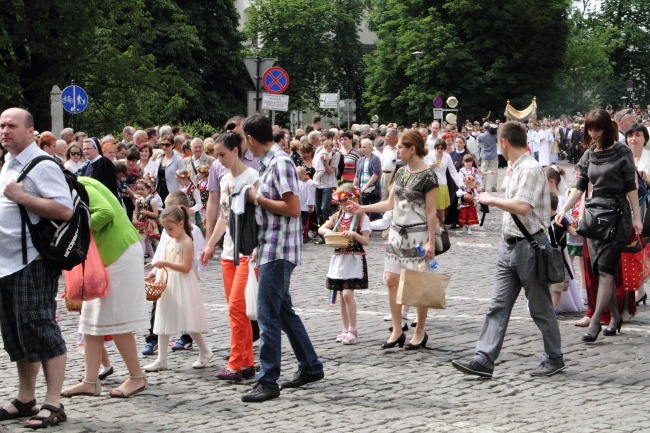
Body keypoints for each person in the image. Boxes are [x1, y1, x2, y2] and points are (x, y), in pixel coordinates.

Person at [452, 121, 566, 378]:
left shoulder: (530, 168)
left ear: (503, 142)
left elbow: (523, 207)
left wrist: (491, 199)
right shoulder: (514, 168)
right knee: (497, 306)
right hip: (509, 245)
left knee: (540, 306)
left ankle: (554, 356)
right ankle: (483, 359)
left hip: (530, 246)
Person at [240, 114, 323, 403]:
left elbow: (292, 208)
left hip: (279, 250)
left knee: (267, 315)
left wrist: (256, 199)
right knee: (284, 312)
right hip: (269, 246)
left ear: (251, 139)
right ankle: (310, 366)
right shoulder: (271, 162)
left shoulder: (281, 162)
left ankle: (268, 380)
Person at [0, 108, 72, 429]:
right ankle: (25, 397)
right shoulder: (8, 163)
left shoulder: (43, 164)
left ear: (30, 131)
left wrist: (22, 196)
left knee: (41, 328)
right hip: (7, 263)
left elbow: (64, 210)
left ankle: (53, 403)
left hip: (33, 262)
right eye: (1, 125)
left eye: (12, 126)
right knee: (16, 333)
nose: (4, 130)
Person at [557, 109, 642, 342]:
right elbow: (580, 185)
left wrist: (636, 217)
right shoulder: (590, 154)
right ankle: (614, 316)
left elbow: (630, 187)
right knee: (602, 270)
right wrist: (564, 209)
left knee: (605, 269)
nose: (593, 133)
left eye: (598, 128)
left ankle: (595, 321)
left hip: (617, 215)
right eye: (590, 129)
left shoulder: (622, 151)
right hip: (595, 217)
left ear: (606, 127)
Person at [60, 177, 149, 399]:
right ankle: (90, 381)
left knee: (116, 319)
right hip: (104, 258)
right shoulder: (71, 187)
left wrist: (73, 229)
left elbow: (105, 213)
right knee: (90, 322)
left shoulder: (81, 185)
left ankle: (137, 377)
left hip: (120, 253)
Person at [350, 129, 438, 351]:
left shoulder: (429, 176)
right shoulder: (400, 173)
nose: (397, 150)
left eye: (400, 147)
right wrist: (362, 208)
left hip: (417, 235)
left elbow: (431, 212)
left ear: (412, 149)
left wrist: (430, 242)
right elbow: (389, 204)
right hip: (397, 234)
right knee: (391, 280)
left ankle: (419, 331)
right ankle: (398, 330)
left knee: (417, 285)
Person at [200, 131, 258, 381]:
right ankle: (246, 363)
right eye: (216, 156)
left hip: (248, 251)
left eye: (222, 155)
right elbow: (224, 216)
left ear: (236, 151)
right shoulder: (225, 181)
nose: (219, 160)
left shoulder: (253, 177)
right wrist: (210, 244)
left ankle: (236, 363)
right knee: (237, 310)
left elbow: (260, 216)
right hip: (228, 252)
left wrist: (258, 245)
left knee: (237, 306)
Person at [143, 206, 212, 372]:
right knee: (162, 319)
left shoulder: (187, 242)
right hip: (169, 281)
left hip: (182, 282)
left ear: (181, 224)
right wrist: (159, 277)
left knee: (188, 319)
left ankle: (205, 351)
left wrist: (164, 264)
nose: (167, 231)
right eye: (165, 228)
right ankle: (162, 359)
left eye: (170, 228)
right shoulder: (169, 240)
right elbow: (165, 261)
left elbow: (186, 267)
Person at [318, 184, 371, 345]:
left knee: (348, 294)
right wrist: (332, 233)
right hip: (339, 259)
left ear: (355, 199)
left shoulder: (362, 217)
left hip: (354, 259)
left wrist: (354, 234)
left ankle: (353, 328)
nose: (345, 205)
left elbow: (366, 241)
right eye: (342, 202)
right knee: (342, 295)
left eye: (348, 200)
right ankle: (345, 328)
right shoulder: (337, 216)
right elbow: (322, 229)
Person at [626, 124, 650, 305]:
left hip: (645, 208)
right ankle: (637, 289)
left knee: (642, 245)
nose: (634, 138)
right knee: (632, 247)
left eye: (638, 135)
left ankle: (640, 287)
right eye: (631, 135)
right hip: (626, 208)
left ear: (645, 139)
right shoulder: (623, 158)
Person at [425, 138, 463, 223]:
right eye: (438, 148)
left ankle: (441, 225)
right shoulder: (429, 154)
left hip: (442, 183)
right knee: (431, 207)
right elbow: (422, 166)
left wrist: (460, 184)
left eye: (442, 148)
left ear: (444, 149)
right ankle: (431, 224)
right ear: (435, 148)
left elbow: (453, 171)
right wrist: (430, 165)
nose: (439, 150)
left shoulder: (447, 157)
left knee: (441, 207)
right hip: (430, 183)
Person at [133, 176, 162, 259]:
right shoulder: (138, 200)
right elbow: (135, 211)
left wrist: (146, 212)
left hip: (150, 223)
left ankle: (159, 255)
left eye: (142, 189)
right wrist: (135, 218)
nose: (140, 191)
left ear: (148, 189)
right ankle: (154, 257)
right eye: (138, 189)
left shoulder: (152, 200)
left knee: (150, 240)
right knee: (146, 241)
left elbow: (156, 213)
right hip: (141, 222)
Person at [353, 138, 382, 221]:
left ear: (370, 148)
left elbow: (375, 174)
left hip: (372, 189)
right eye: (361, 147)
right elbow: (357, 175)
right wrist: (353, 186)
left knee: (374, 211)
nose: (362, 149)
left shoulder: (375, 159)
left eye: (364, 147)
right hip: (362, 190)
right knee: (363, 211)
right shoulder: (360, 160)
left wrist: (366, 186)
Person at [154, 134, 184, 203]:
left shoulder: (178, 160)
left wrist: (179, 194)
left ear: (173, 145)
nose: (164, 147)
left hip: (172, 190)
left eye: (167, 145)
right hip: (159, 189)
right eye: (162, 144)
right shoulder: (159, 158)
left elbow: (181, 178)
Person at [478, 122, 499, 192]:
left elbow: (479, 141)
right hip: (493, 155)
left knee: (483, 171)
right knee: (494, 171)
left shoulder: (481, 135)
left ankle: (483, 186)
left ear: (484, 128)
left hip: (484, 155)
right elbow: (497, 142)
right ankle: (493, 186)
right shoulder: (494, 135)